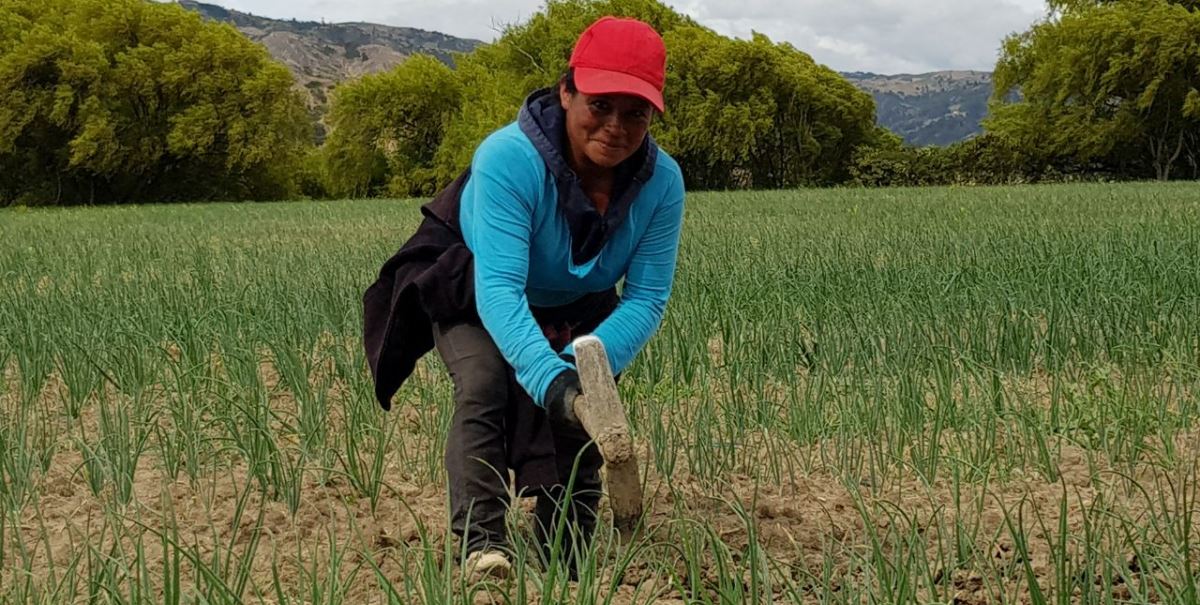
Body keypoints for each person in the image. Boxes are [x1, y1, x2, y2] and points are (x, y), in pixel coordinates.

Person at [362, 15, 685, 580]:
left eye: (635, 112)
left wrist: (578, 371)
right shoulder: (510, 159)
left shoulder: (663, 183)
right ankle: (482, 545)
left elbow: (648, 297)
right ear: (566, 92)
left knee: (583, 409)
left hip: (580, 307)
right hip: (475, 286)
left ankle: (564, 540)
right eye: (600, 104)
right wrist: (548, 378)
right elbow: (500, 290)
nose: (615, 125)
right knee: (486, 383)